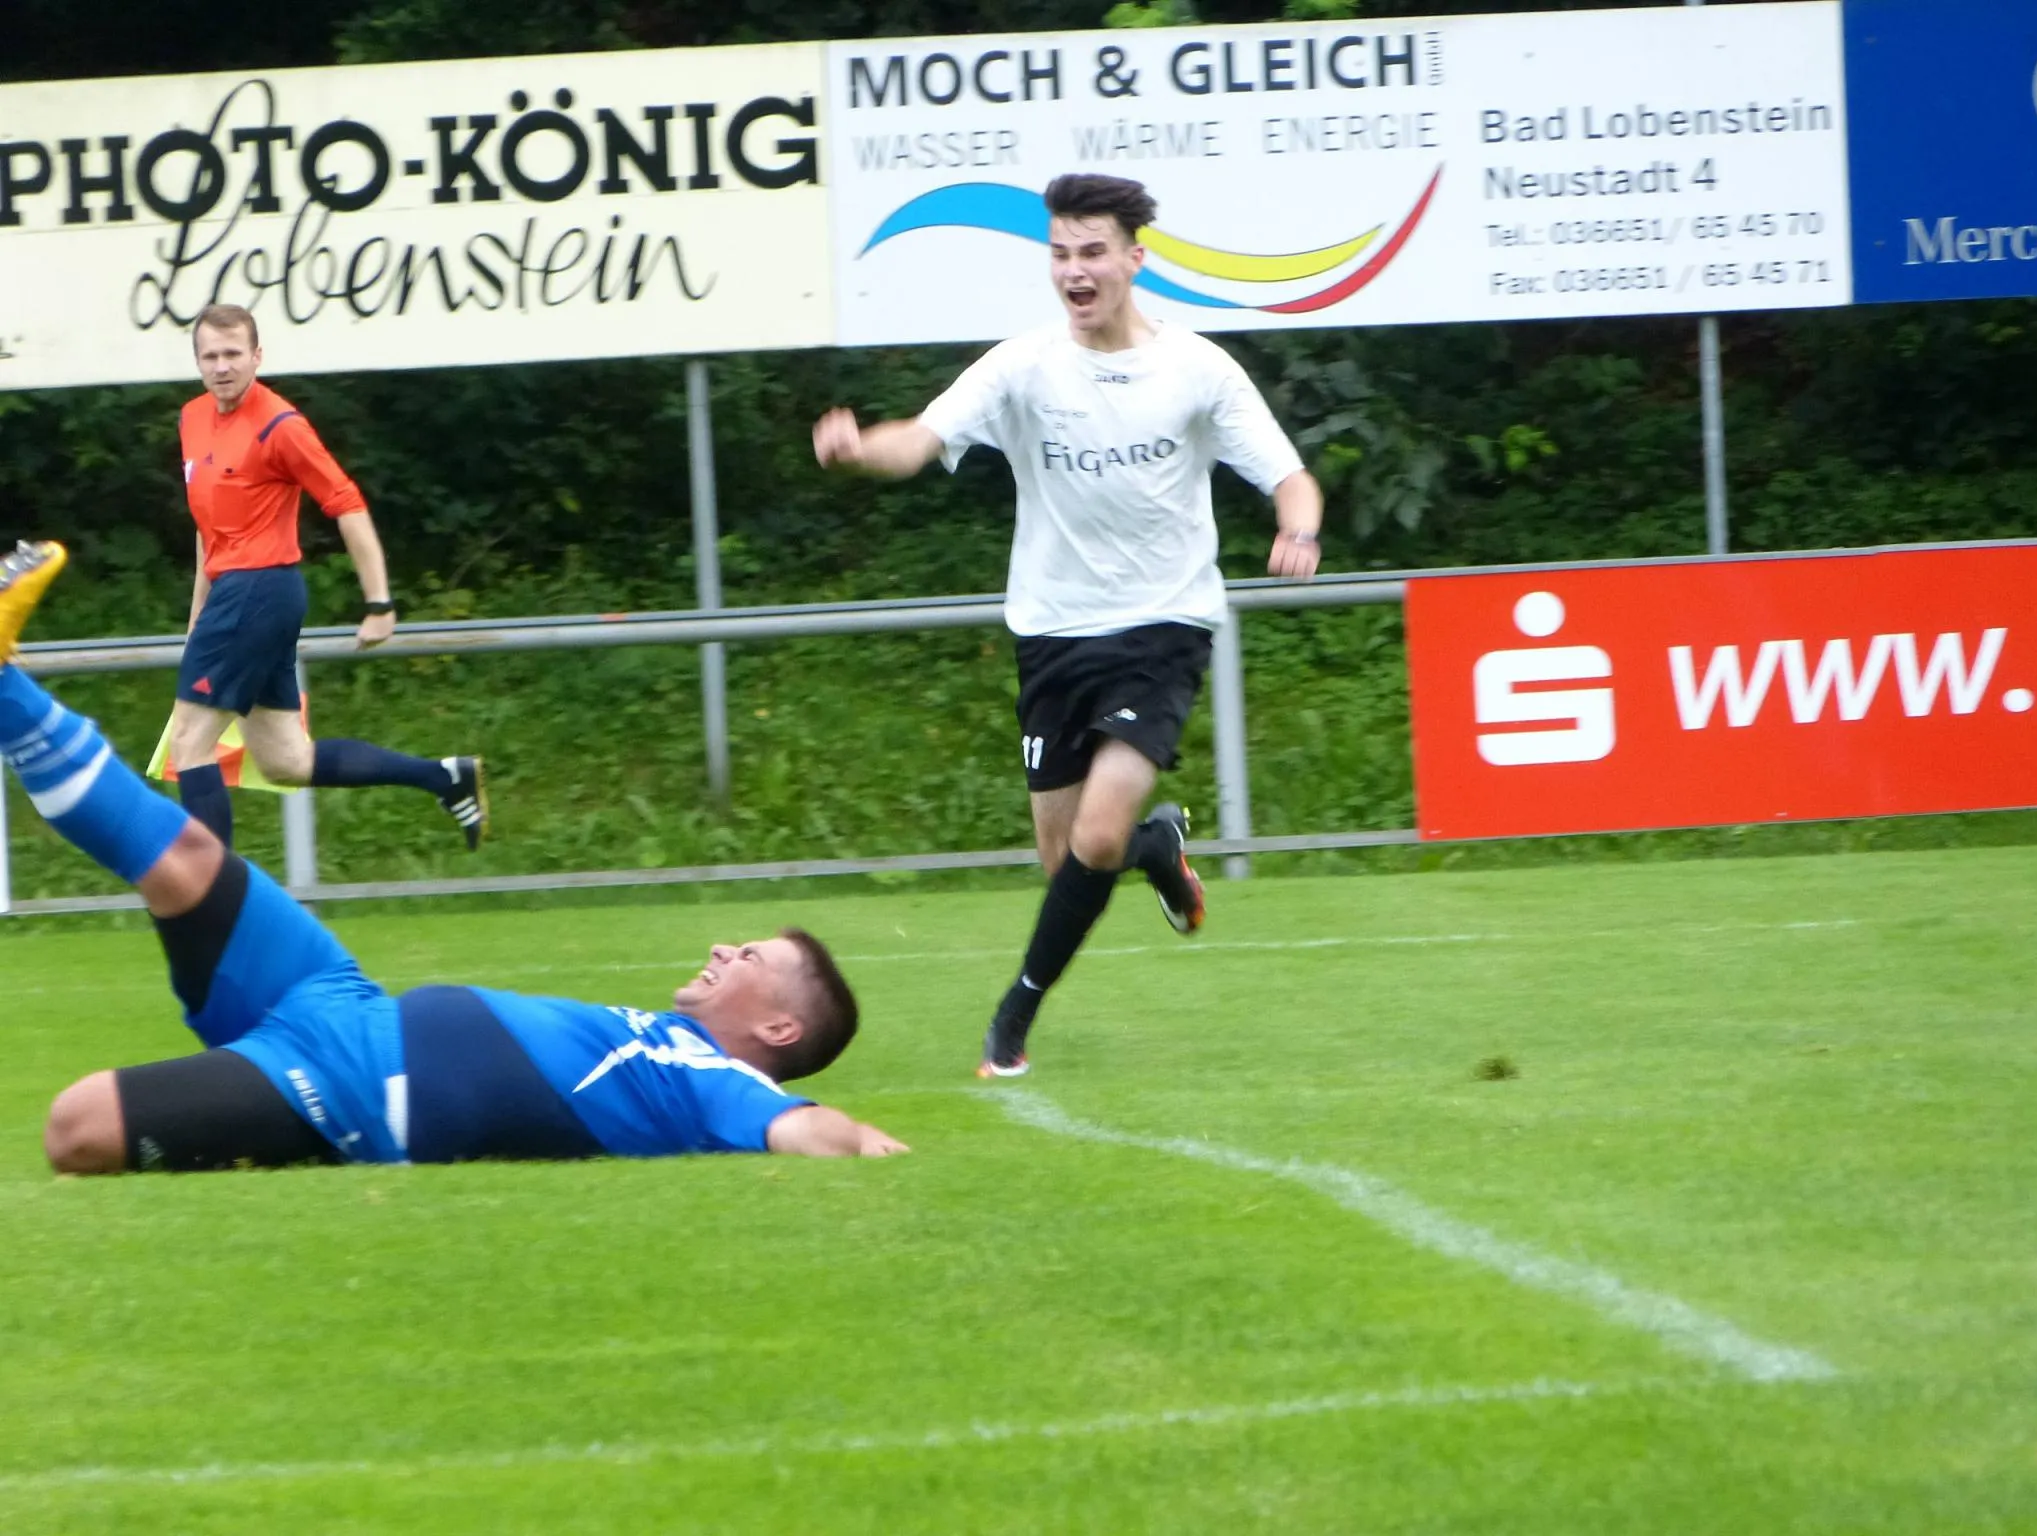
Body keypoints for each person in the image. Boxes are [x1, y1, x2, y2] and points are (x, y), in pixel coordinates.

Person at [3, 543, 906, 1172]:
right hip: (337, 998)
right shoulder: (672, 1046)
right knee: (189, 856)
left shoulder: (720, 1083)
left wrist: (868, 1143)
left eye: (750, 959)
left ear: (779, 1031)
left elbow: (805, 1132)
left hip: (350, 1088)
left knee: (75, 1127)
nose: (722, 949)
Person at [814, 172, 1323, 1079]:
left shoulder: (1198, 368)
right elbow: (919, 441)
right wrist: (861, 450)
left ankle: (1012, 1020)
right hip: (1052, 633)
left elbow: (1289, 477)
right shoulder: (1022, 367)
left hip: (1163, 629)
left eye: (1092, 253)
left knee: (1094, 836)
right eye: (1060, 254)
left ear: (1135, 259)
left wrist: (1299, 529)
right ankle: (1155, 847)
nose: (1074, 272)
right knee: (1068, 860)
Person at [172, 303, 486, 851]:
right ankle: (444, 778)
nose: (222, 366)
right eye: (210, 356)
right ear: (197, 361)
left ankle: (212, 893)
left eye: (233, 354)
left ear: (257, 356)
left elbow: (347, 503)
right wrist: (199, 609)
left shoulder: (281, 426)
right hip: (239, 596)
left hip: (259, 590)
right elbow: (208, 523)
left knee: (189, 744)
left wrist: (379, 603)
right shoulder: (193, 418)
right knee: (286, 762)